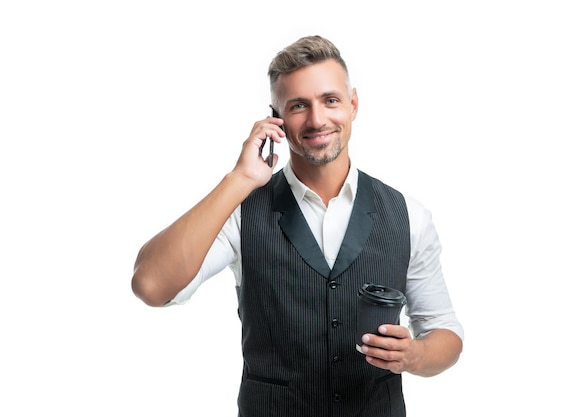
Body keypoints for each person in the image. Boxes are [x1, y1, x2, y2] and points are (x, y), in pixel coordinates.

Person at [132, 35, 464, 417]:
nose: (317, 119)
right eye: (298, 106)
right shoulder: (243, 213)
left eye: (330, 100)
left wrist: (416, 355)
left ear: (353, 104)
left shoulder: (409, 215)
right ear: (276, 117)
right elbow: (151, 285)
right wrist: (239, 179)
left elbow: (445, 332)